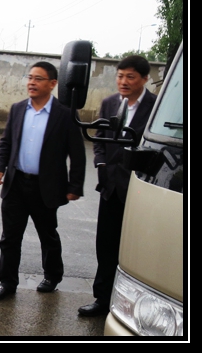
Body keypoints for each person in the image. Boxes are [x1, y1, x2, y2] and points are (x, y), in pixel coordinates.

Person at [0, 61, 86, 300]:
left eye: (38, 79)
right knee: (10, 237)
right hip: (16, 184)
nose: (32, 82)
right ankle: (7, 282)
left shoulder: (65, 114)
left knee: (47, 234)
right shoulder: (18, 109)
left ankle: (52, 276)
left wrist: (75, 185)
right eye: (30, 77)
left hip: (46, 186)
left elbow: (77, 153)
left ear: (52, 84)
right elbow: (6, 142)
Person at [78, 55, 156, 317]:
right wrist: (101, 164)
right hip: (110, 187)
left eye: (130, 77)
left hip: (140, 189)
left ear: (144, 79)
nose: (123, 81)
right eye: (120, 76)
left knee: (137, 248)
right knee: (106, 245)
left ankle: (137, 305)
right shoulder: (110, 103)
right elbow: (100, 138)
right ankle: (102, 299)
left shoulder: (155, 107)